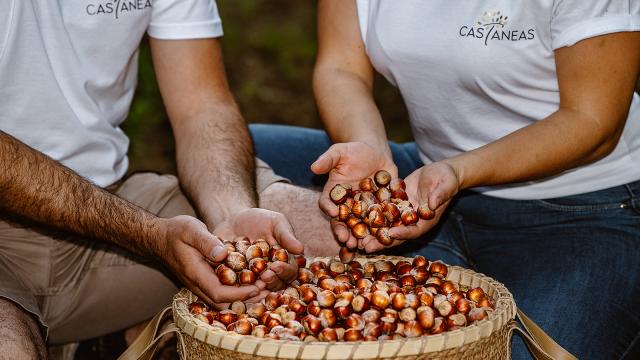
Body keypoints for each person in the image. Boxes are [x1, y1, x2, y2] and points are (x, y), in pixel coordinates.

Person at [250, 0, 640, 359]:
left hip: (585, 208)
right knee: (220, 153)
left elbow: (593, 121)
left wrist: (459, 171)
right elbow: (341, 68)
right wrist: (370, 149)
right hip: (426, 178)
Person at [0, 0, 337, 358]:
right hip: (48, 230)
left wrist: (231, 221)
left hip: (106, 203)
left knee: (329, 241)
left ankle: (109, 339)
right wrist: (146, 233)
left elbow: (201, 107)